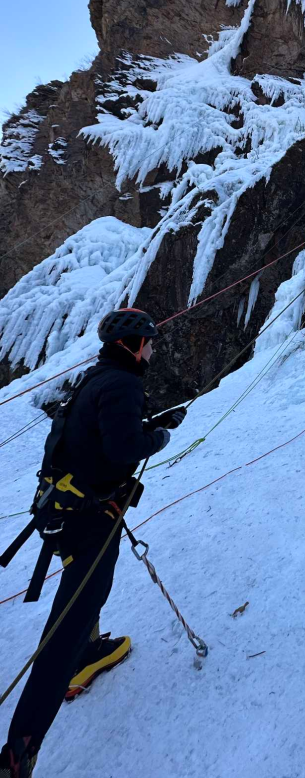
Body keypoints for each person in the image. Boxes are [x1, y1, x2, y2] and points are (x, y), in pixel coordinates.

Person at [0, 308, 186, 777]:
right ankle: (19, 753)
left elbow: (96, 438)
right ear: (132, 346)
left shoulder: (98, 376)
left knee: (82, 599)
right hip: (86, 519)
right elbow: (123, 449)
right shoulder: (124, 384)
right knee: (70, 618)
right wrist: (158, 436)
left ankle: (85, 653)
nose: (153, 349)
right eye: (149, 342)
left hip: (58, 512)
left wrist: (147, 427)